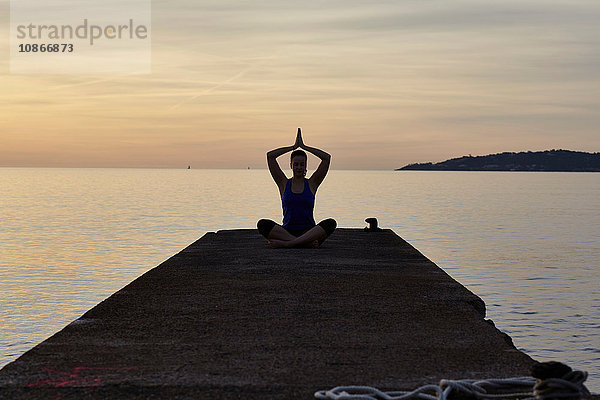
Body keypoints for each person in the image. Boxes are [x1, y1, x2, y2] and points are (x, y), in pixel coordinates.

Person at [257, 128, 337, 248]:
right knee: (262, 224)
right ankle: (305, 243)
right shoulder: (283, 183)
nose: (299, 167)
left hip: (309, 231)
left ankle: (289, 244)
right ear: (291, 165)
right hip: (287, 231)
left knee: (331, 223)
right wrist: (293, 147)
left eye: (302, 164)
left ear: (306, 166)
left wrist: (304, 147)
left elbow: (326, 158)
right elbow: (270, 156)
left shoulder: (312, 183)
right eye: (296, 164)